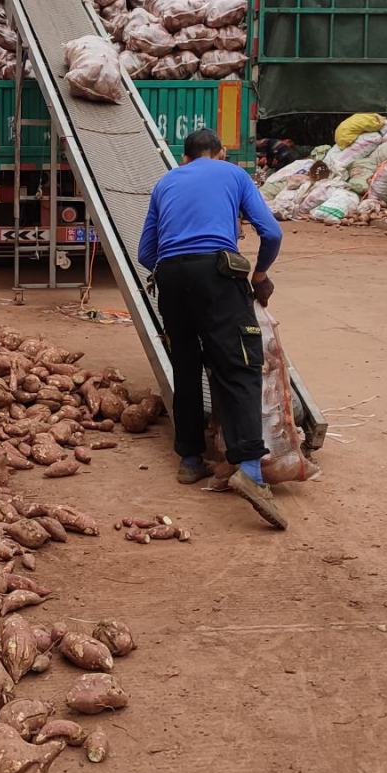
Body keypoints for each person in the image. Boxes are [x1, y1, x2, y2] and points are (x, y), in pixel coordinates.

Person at [137, 127, 286, 530]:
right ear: (218, 153)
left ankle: (190, 460)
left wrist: (178, 275)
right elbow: (271, 232)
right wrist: (260, 274)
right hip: (217, 274)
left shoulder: (164, 181)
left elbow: (144, 253)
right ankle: (250, 469)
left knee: (185, 366)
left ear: (185, 158)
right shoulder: (233, 174)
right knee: (239, 364)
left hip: (169, 276)